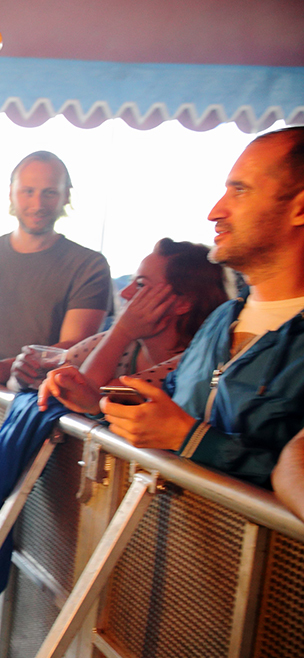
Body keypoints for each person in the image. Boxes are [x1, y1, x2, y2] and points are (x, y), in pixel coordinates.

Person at [100, 127, 304, 488]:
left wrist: (191, 441)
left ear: (299, 208)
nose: (215, 212)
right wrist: (99, 403)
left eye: (240, 191)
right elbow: (175, 407)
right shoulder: (222, 318)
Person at [0, 151, 114, 396]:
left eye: (49, 192)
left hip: (44, 405)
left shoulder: (89, 265)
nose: (38, 204)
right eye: (28, 191)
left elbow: (73, 348)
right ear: (11, 192)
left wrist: (6, 368)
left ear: (66, 195)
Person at [37, 238, 229, 413]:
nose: (124, 293)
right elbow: (56, 365)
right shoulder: (127, 342)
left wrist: (120, 332)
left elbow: (86, 393)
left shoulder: (189, 364)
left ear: (183, 303)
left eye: (140, 285)